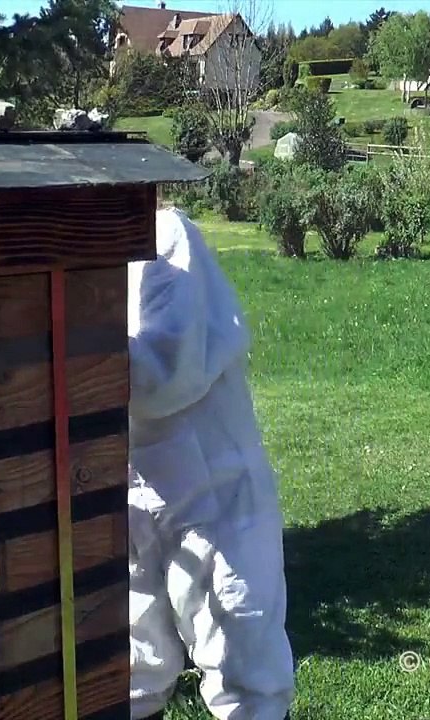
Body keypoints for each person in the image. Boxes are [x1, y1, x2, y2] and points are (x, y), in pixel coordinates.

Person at [126, 204, 295, 720]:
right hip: (131, 489)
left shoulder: (164, 235)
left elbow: (167, 371)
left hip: (214, 490)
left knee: (240, 654)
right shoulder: (54, 262)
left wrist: (67, 344)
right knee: (131, 664)